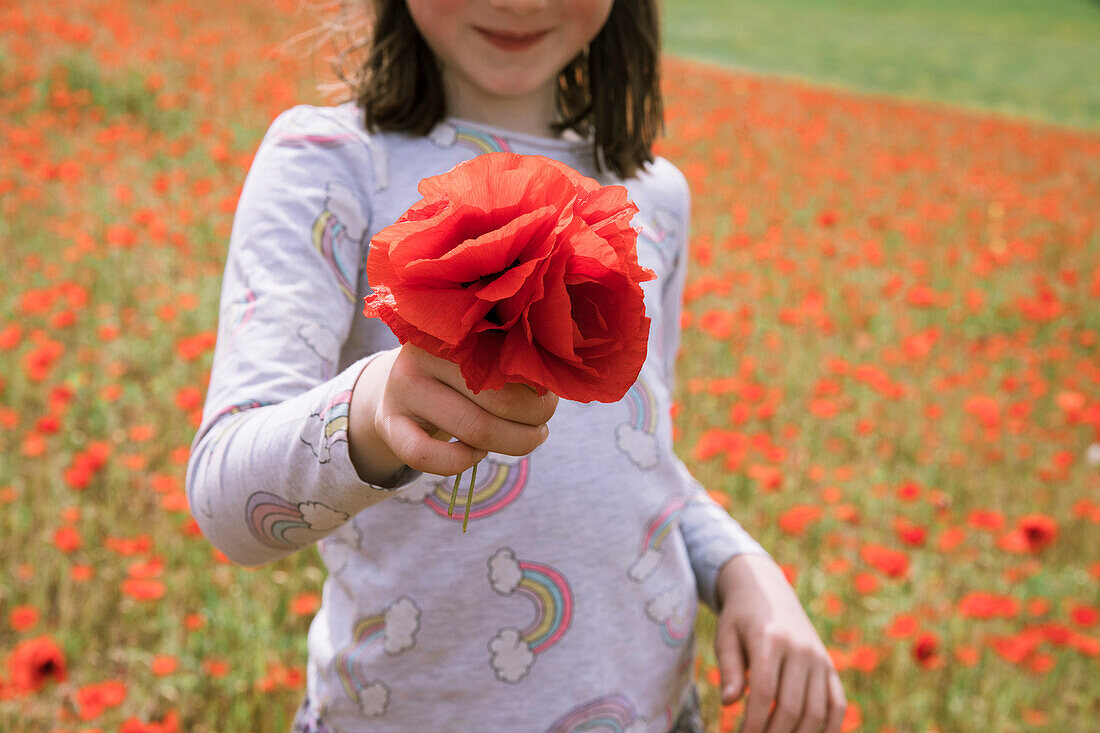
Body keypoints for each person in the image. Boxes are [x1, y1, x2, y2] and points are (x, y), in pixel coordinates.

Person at [186, 1, 847, 731]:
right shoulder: (330, 160)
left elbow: (639, 465)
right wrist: (378, 411)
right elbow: (227, 504)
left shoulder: (654, 193)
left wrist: (741, 568)